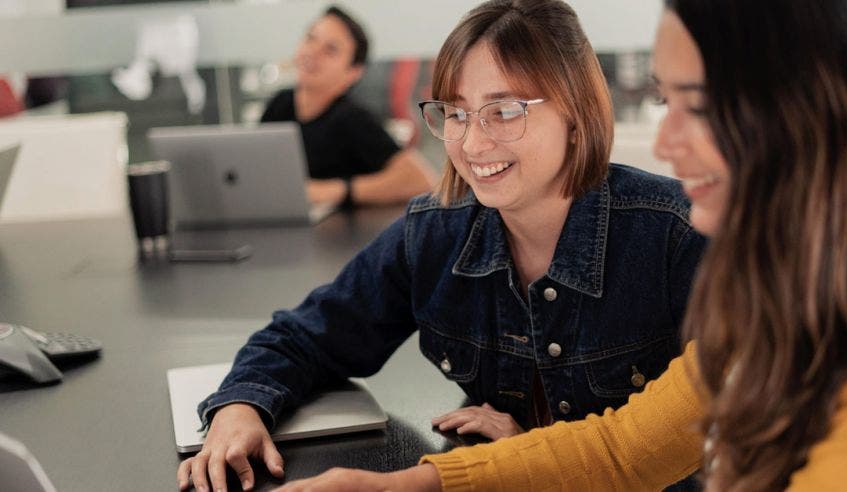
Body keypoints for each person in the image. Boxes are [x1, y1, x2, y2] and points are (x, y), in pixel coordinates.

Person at [270, 0, 847, 489]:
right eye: (665, 100)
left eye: (698, 106)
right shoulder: (792, 301)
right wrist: (406, 486)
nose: (669, 141)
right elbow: (624, 450)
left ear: (827, 113)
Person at [176, 0, 708, 490]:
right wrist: (241, 406)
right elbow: (304, 336)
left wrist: (529, 447)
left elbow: (722, 444)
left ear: (575, 113)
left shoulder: (677, 237)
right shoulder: (435, 232)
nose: (472, 144)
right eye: (455, 112)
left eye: (504, 110)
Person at [260, 6, 438, 207]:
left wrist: (335, 191)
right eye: (311, 38)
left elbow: (420, 180)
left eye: (331, 50)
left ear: (353, 72)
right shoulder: (279, 104)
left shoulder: (351, 118)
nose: (313, 52)